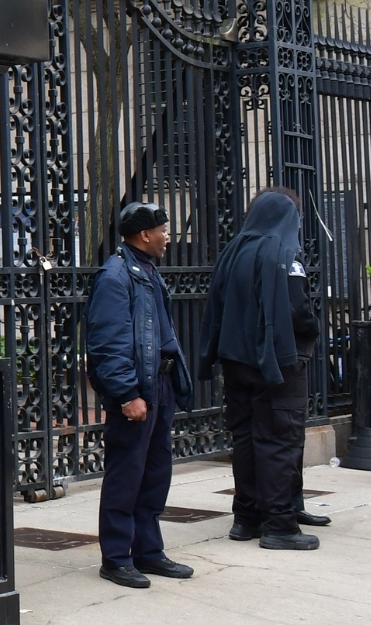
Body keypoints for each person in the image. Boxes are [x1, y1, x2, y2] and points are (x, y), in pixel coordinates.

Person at [85, 201, 196, 589]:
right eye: (163, 230)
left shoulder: (145, 270)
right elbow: (108, 346)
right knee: (126, 475)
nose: (168, 236)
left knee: (154, 473)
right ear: (145, 234)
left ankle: (148, 551)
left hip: (158, 387)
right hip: (137, 391)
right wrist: (127, 394)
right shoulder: (116, 276)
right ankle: (116, 558)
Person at [203, 189, 319, 551]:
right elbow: (299, 310)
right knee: (279, 442)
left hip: (236, 362)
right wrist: (312, 328)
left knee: (247, 440)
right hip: (276, 364)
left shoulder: (232, 252)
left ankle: (246, 517)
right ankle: (280, 526)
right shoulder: (284, 254)